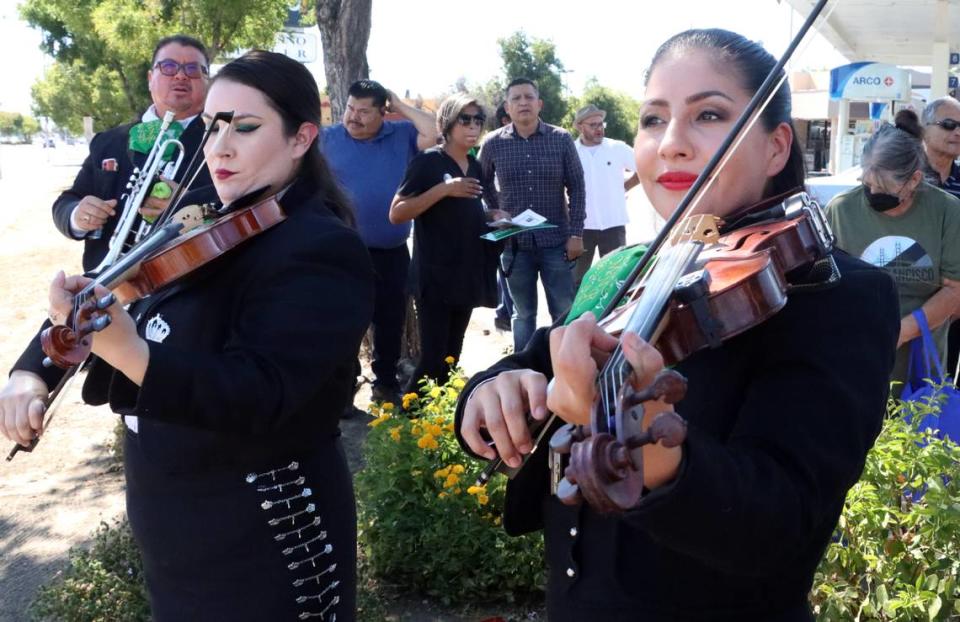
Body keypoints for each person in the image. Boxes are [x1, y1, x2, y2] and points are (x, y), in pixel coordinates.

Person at [455, 29, 899, 621]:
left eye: (708, 115)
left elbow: (779, 521)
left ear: (775, 147)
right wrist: (492, 389)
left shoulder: (836, 296)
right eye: (652, 120)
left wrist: (638, 430)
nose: (671, 144)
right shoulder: (630, 267)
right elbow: (536, 356)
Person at [1, 50, 373, 621]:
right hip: (180, 529)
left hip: (262, 538)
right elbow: (109, 291)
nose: (218, 146)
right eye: (212, 125)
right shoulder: (205, 216)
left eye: (245, 128)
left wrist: (131, 353)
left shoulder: (321, 247)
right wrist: (35, 370)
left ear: (301, 138)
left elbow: (262, 392)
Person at [53, 34, 213, 272]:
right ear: (150, 79)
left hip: (182, 287)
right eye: (168, 66)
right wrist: (78, 215)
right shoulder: (107, 142)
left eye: (192, 69)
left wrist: (189, 205)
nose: (180, 75)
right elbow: (66, 202)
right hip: (106, 286)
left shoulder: (224, 143)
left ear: (207, 81)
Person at [322, 80, 438, 406]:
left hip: (391, 252)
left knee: (389, 322)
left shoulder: (400, 135)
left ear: (382, 112)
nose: (353, 117)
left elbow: (435, 132)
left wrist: (399, 105)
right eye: (349, 108)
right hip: (343, 252)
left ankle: (385, 385)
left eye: (363, 111)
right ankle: (343, 392)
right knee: (345, 322)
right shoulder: (326, 139)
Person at [827, 109, 960, 384]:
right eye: (867, 185)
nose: (873, 195)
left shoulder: (948, 211)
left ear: (914, 180)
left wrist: (898, 333)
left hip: (919, 370)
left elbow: (955, 291)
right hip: (854, 362)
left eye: (884, 189)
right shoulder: (841, 210)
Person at [389, 95, 509, 393]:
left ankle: (439, 422)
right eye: (464, 119)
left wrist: (493, 215)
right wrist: (444, 189)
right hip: (435, 276)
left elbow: (468, 209)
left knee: (451, 358)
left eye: (478, 120)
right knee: (431, 360)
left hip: (467, 273)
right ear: (446, 123)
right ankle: (409, 426)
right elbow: (397, 212)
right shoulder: (428, 162)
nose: (473, 126)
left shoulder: (474, 165)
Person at [479, 78, 586, 352]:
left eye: (529, 97)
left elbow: (577, 186)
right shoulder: (492, 143)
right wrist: (494, 210)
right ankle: (524, 369)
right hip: (515, 246)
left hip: (557, 244)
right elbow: (481, 181)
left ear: (540, 104)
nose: (523, 103)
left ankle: (565, 366)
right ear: (507, 106)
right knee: (523, 315)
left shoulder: (560, 139)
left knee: (563, 311)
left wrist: (576, 234)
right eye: (516, 98)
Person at [571, 103, 639, 286]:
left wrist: (624, 187)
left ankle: (613, 315)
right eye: (593, 125)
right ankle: (576, 315)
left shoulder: (617, 148)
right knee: (575, 280)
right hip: (581, 227)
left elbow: (643, 169)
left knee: (616, 279)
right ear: (579, 126)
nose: (599, 129)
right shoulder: (570, 151)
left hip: (613, 224)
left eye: (601, 124)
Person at [921, 96, 960, 372]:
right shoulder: (902, 179)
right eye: (948, 124)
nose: (957, 132)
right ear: (925, 129)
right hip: (914, 306)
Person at [491, 101, 514, 332]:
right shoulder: (495, 145)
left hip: (520, 223)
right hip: (504, 222)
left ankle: (503, 312)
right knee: (505, 271)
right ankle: (504, 313)